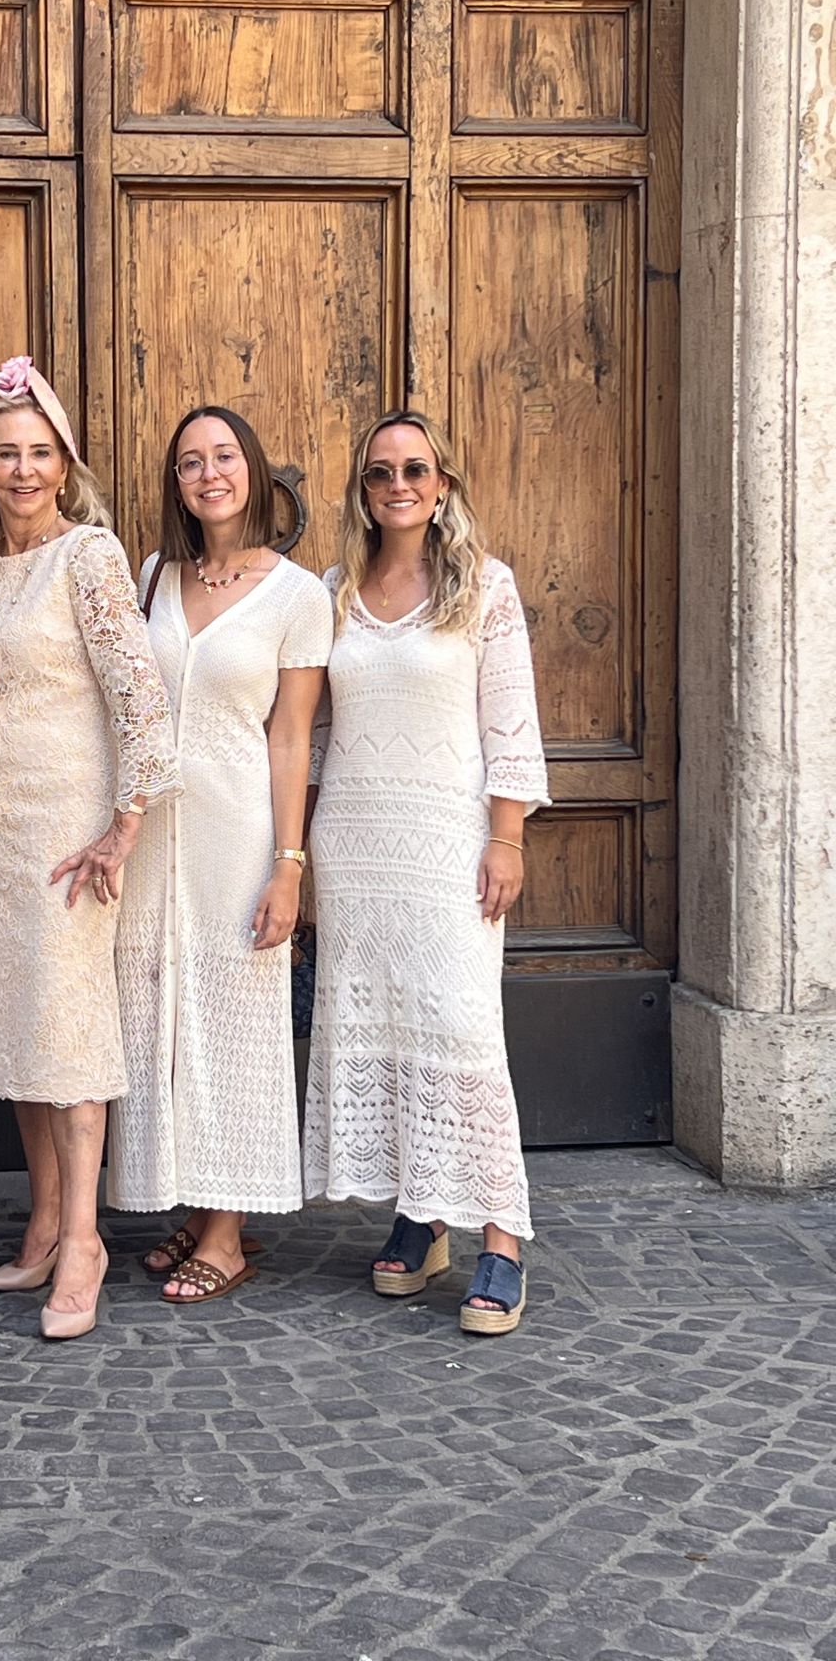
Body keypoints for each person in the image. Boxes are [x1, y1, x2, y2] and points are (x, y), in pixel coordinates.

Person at [0, 356, 179, 1341]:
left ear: (64, 466)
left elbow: (140, 698)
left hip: (69, 831)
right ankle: (40, 1223)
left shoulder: (90, 557)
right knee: (18, 1029)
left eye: (39, 453)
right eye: (5, 454)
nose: (23, 470)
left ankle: (82, 1243)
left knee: (68, 1037)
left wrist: (125, 822)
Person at [304, 410, 549, 1335]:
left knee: (462, 1030)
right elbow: (313, 732)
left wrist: (507, 838)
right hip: (357, 845)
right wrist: (298, 851)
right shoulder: (333, 591)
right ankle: (422, 1216)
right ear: (363, 490)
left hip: (449, 845)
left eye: (415, 470)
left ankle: (502, 1238)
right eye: (380, 472)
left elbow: (510, 721)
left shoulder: (485, 587)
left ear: (442, 485)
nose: (398, 485)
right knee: (391, 1030)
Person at [108, 407, 331, 1304]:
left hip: (238, 833)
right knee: (160, 1014)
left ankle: (230, 1234)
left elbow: (292, 737)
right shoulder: (154, 575)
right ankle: (200, 1206)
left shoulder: (298, 595)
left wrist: (289, 863)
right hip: (151, 835)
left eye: (225, 456)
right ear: (177, 483)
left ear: (254, 470)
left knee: (235, 1019)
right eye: (191, 462)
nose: (210, 474)